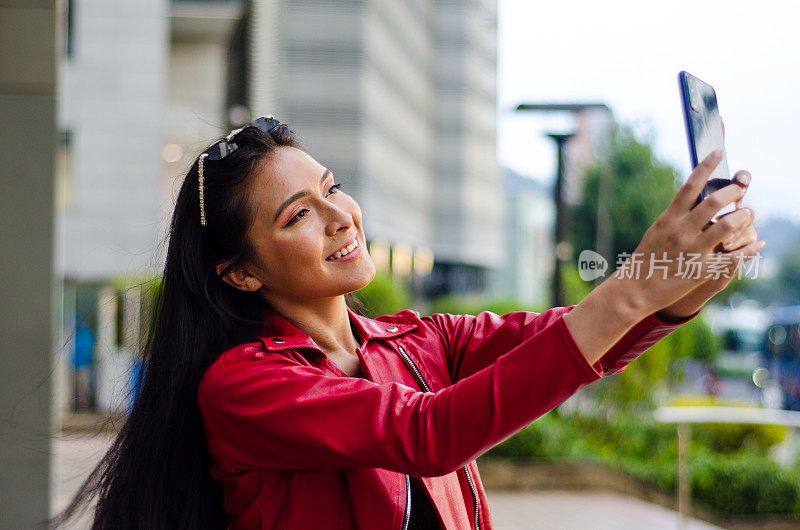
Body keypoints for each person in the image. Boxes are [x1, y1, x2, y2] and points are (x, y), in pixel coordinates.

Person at [50, 117, 762, 529]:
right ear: (240, 272)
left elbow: (573, 338)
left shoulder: (417, 340)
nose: (340, 217)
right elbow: (428, 433)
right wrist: (635, 288)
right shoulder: (243, 385)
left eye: (332, 189)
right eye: (298, 214)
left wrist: (684, 288)